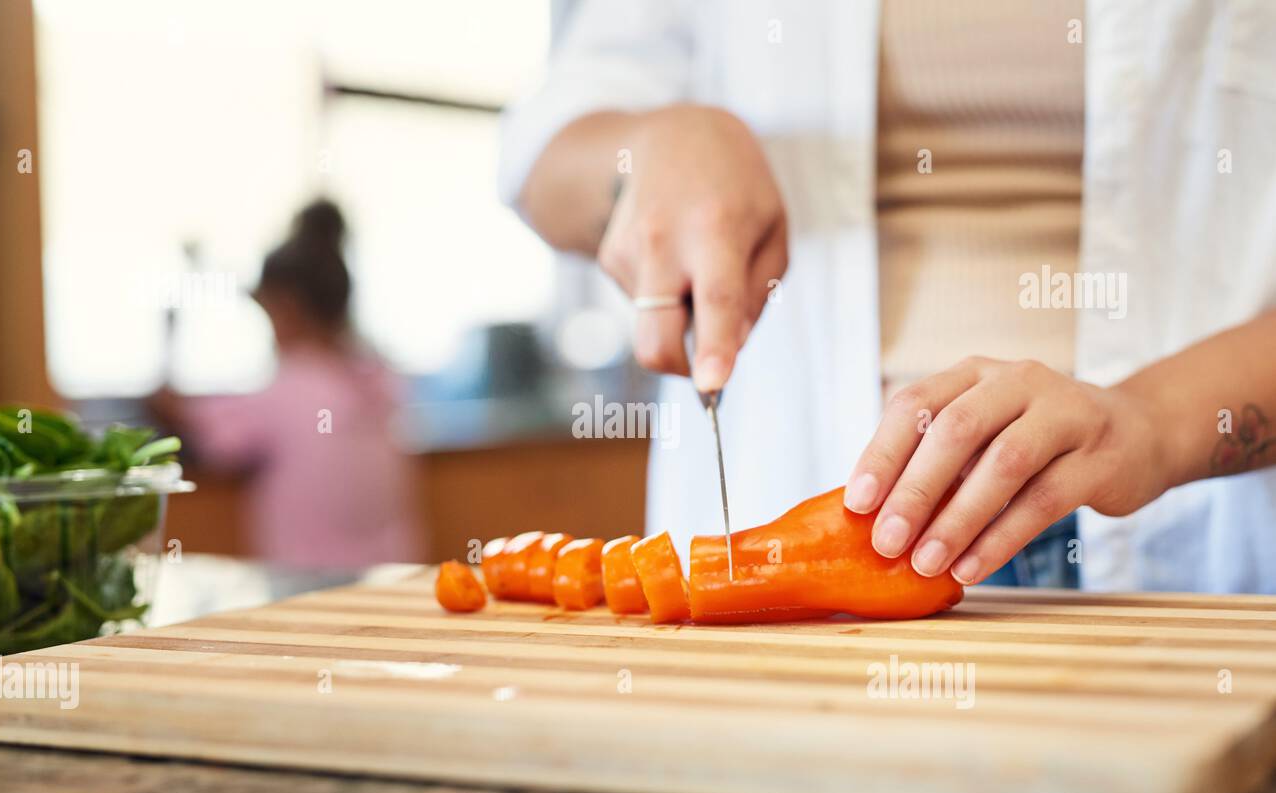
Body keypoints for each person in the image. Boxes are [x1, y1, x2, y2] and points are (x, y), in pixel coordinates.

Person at [499, 0, 1276, 593]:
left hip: (1189, 529)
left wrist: (1152, 422)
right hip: (804, 518)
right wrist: (653, 147)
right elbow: (547, 145)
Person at [155, 199, 420, 569]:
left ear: (287, 309)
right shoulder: (379, 378)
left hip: (305, 589)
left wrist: (168, 337)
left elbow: (186, 419)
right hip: (391, 577)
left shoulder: (288, 391)